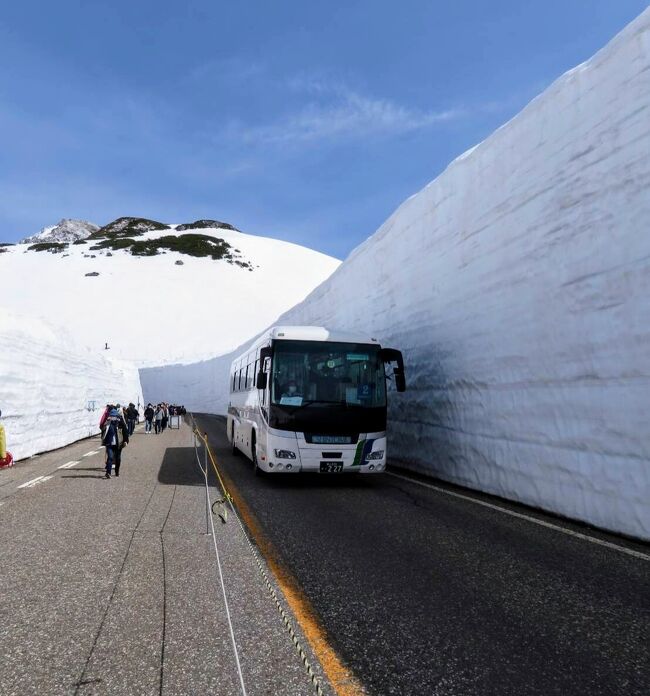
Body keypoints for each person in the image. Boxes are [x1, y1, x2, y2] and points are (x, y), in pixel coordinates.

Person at [102, 407, 129, 478]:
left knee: (118, 458)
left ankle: (117, 471)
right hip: (109, 443)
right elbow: (103, 430)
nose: (112, 417)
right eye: (111, 416)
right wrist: (106, 423)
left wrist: (126, 441)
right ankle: (108, 473)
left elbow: (125, 432)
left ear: (117, 416)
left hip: (118, 443)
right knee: (110, 457)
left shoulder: (120, 422)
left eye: (114, 416)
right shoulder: (107, 422)